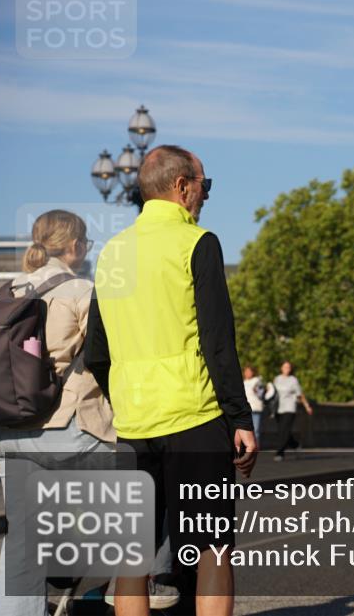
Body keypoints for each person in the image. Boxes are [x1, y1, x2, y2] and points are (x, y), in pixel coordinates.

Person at [84, 145, 257, 616]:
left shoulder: (112, 252)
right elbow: (218, 341)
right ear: (182, 187)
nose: (206, 195)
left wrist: (127, 395)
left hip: (133, 424)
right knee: (212, 547)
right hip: (194, 417)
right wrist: (240, 419)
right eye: (205, 185)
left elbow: (96, 351)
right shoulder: (198, 243)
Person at [0, 211, 131, 615]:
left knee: (23, 541)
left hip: (8, 433)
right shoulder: (84, 290)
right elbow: (110, 359)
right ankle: (119, 592)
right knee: (145, 494)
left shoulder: (4, 293)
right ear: (75, 246)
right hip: (70, 429)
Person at [272, 361, 313, 460]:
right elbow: (272, 393)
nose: (287, 369)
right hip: (278, 408)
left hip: (290, 407)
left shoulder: (293, 380)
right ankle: (295, 444)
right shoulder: (277, 379)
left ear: (291, 369)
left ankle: (280, 453)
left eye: (288, 367)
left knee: (284, 430)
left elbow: (300, 394)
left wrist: (307, 406)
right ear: (281, 368)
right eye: (285, 367)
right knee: (282, 431)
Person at [243, 365, 274, 443]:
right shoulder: (242, 382)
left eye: (249, 371)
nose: (247, 373)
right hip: (245, 410)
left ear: (253, 372)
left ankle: (255, 447)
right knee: (246, 431)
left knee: (255, 430)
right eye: (246, 371)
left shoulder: (257, 381)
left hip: (255, 409)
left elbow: (262, 393)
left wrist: (257, 390)